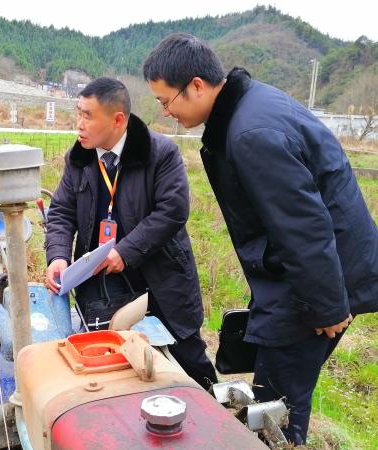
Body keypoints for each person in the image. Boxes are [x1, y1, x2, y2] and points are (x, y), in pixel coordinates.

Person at [143, 33, 378, 445]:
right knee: (276, 391)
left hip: (317, 280)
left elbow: (304, 228)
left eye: (166, 101)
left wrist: (326, 307)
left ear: (197, 85)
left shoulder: (251, 132)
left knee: (277, 406)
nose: (165, 113)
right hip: (311, 274)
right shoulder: (250, 107)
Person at [45, 77, 217, 390]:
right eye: (78, 114)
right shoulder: (79, 157)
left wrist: (125, 252)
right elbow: (61, 212)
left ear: (118, 119)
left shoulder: (160, 152)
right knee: (112, 366)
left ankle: (216, 411)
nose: (79, 125)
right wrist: (57, 255)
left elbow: (172, 212)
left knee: (185, 360)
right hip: (101, 282)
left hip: (160, 280)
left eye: (87, 116)